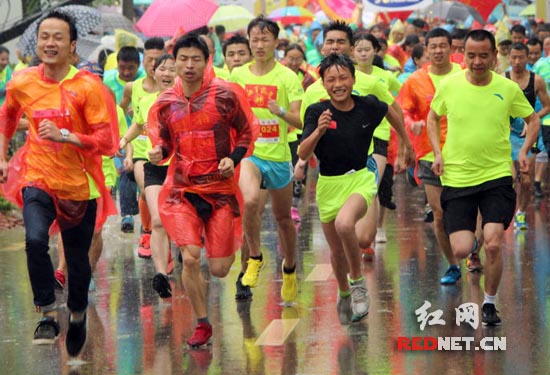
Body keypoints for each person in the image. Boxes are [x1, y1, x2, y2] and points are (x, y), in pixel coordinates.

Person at [0, 11, 118, 355]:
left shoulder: (88, 87)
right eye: (44, 37)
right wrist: (4, 156)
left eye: (58, 38)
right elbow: (7, 117)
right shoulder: (22, 82)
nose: (50, 43)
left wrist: (67, 136)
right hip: (37, 176)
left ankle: (78, 313)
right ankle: (48, 312)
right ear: (37, 43)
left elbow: (106, 139)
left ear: (73, 46)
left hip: (78, 184)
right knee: (35, 240)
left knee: (78, 260)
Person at [148, 34, 254, 347]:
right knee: (191, 257)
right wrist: (158, 153)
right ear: (174, 61)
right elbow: (164, 144)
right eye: (184, 59)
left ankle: (222, 240)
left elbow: (247, 132)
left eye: (196, 59)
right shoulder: (165, 103)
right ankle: (202, 322)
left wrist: (232, 159)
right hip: (182, 191)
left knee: (220, 269)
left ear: (207, 60)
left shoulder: (226, 94)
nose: (190, 65)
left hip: (221, 191)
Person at [427, 30, 538, 325]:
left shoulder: (508, 88)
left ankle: (489, 303)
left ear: (494, 56)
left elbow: (533, 119)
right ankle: (471, 245)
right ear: (463, 55)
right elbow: (432, 117)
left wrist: (525, 151)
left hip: (497, 175)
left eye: (483, 55)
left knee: (493, 242)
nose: (477, 61)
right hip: (458, 177)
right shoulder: (449, 85)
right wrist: (437, 152)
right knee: (462, 248)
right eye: (471, 55)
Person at [300, 54, 390, 323]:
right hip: (328, 185)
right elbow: (304, 152)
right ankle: (344, 292)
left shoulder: (368, 105)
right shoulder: (317, 111)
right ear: (324, 84)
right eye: (331, 80)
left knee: (344, 224)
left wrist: (407, 144)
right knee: (336, 251)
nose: (338, 84)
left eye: (343, 78)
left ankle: (358, 283)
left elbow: (392, 111)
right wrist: (318, 131)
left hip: (361, 178)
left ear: (353, 79)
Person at [230, 16, 304, 304]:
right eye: (254, 39)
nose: (259, 45)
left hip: (279, 157)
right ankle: (255, 257)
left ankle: (289, 270)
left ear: (276, 42)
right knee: (249, 202)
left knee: (284, 219)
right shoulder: (238, 76)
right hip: (251, 153)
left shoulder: (287, 77)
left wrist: (281, 112)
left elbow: (298, 122)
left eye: (265, 39)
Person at [120, 53, 177, 296]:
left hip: (181, 168)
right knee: (157, 220)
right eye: (162, 69)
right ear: (153, 73)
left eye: (172, 69)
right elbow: (138, 123)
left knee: (177, 221)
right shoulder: (147, 100)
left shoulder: (186, 101)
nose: (166, 73)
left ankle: (177, 253)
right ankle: (161, 274)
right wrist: (124, 140)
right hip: (154, 167)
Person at [119, 37, 165, 259]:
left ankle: (165, 231)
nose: (153, 64)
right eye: (149, 59)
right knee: (146, 188)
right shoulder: (132, 87)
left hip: (166, 152)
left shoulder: (172, 87)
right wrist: (124, 137)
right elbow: (122, 111)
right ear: (142, 61)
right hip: (139, 151)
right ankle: (147, 231)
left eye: (158, 60)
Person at [505, 42, 550, 230]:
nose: (516, 62)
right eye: (513, 58)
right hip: (508, 134)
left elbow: (547, 106)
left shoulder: (536, 80)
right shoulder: (502, 79)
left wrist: (531, 119)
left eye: (520, 57)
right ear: (508, 58)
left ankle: (521, 213)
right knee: (509, 178)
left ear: (527, 58)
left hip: (530, 134)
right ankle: (506, 211)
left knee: (526, 178)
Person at [103, 46, 144, 233]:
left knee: (142, 178)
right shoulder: (108, 80)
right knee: (123, 173)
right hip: (118, 133)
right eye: (122, 67)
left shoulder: (145, 79)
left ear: (139, 66)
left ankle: (146, 220)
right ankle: (127, 215)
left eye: (131, 68)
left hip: (143, 135)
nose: (126, 72)